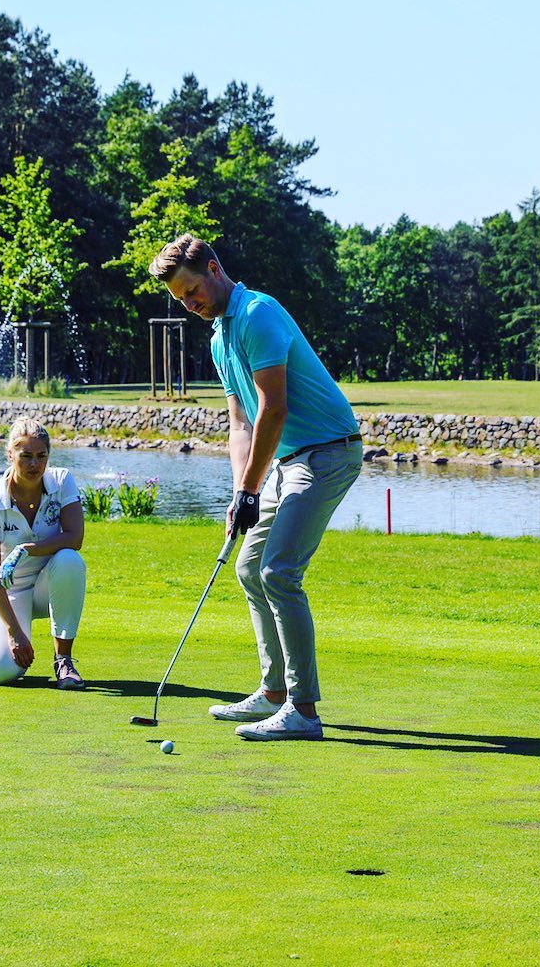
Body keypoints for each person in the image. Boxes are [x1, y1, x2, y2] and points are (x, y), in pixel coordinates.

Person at [149, 234, 362, 741]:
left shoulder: (257, 314)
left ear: (214, 269)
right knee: (249, 568)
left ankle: (304, 711)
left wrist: (251, 488)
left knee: (279, 572)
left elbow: (275, 407)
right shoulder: (220, 337)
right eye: (180, 299)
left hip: (328, 450)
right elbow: (241, 422)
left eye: (192, 290)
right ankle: (272, 694)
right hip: (288, 461)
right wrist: (240, 491)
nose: (190, 303)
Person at [0, 416, 88, 689]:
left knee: (70, 560)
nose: (34, 464)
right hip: (7, 591)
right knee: (2, 671)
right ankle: (17, 628)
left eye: (41, 456)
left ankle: (63, 660)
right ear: (10, 454)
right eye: (25, 456)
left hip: (50, 584)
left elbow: (75, 537)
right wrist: (14, 632)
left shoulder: (62, 481)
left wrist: (27, 549)